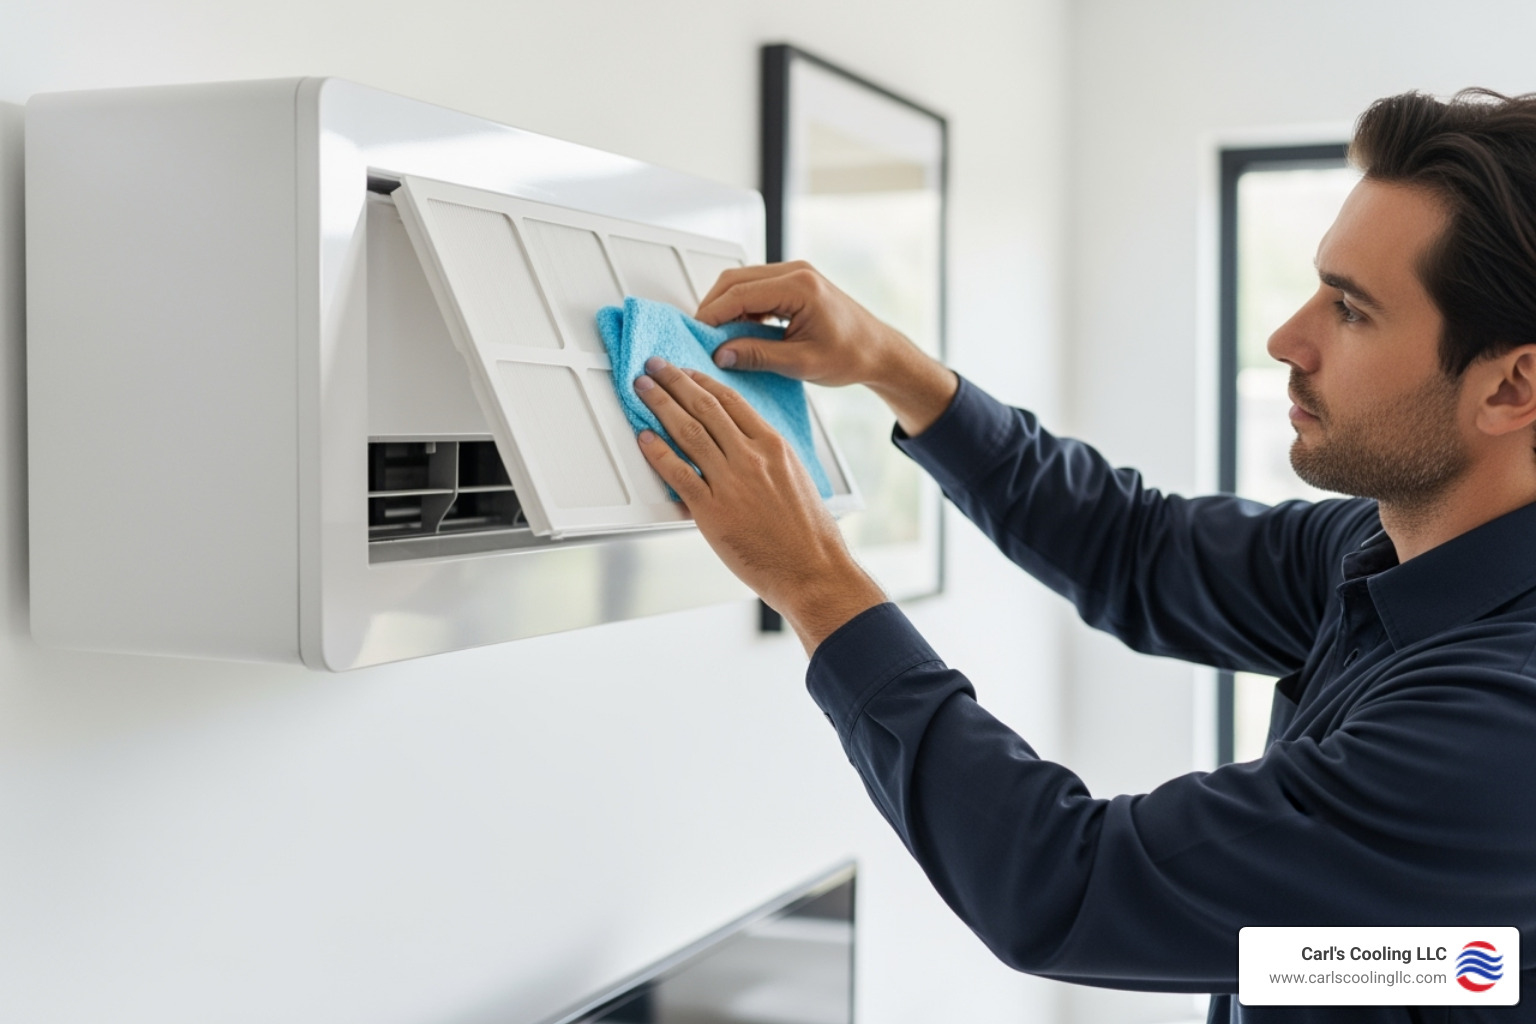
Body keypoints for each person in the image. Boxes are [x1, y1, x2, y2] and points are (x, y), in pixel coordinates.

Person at [627, 89, 1536, 1022]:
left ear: (1512, 386)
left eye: (1349, 309)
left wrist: (815, 580)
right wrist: (892, 365)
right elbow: (1134, 547)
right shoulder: (1391, 550)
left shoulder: (1501, 728)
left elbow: (1063, 885)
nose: (1285, 337)